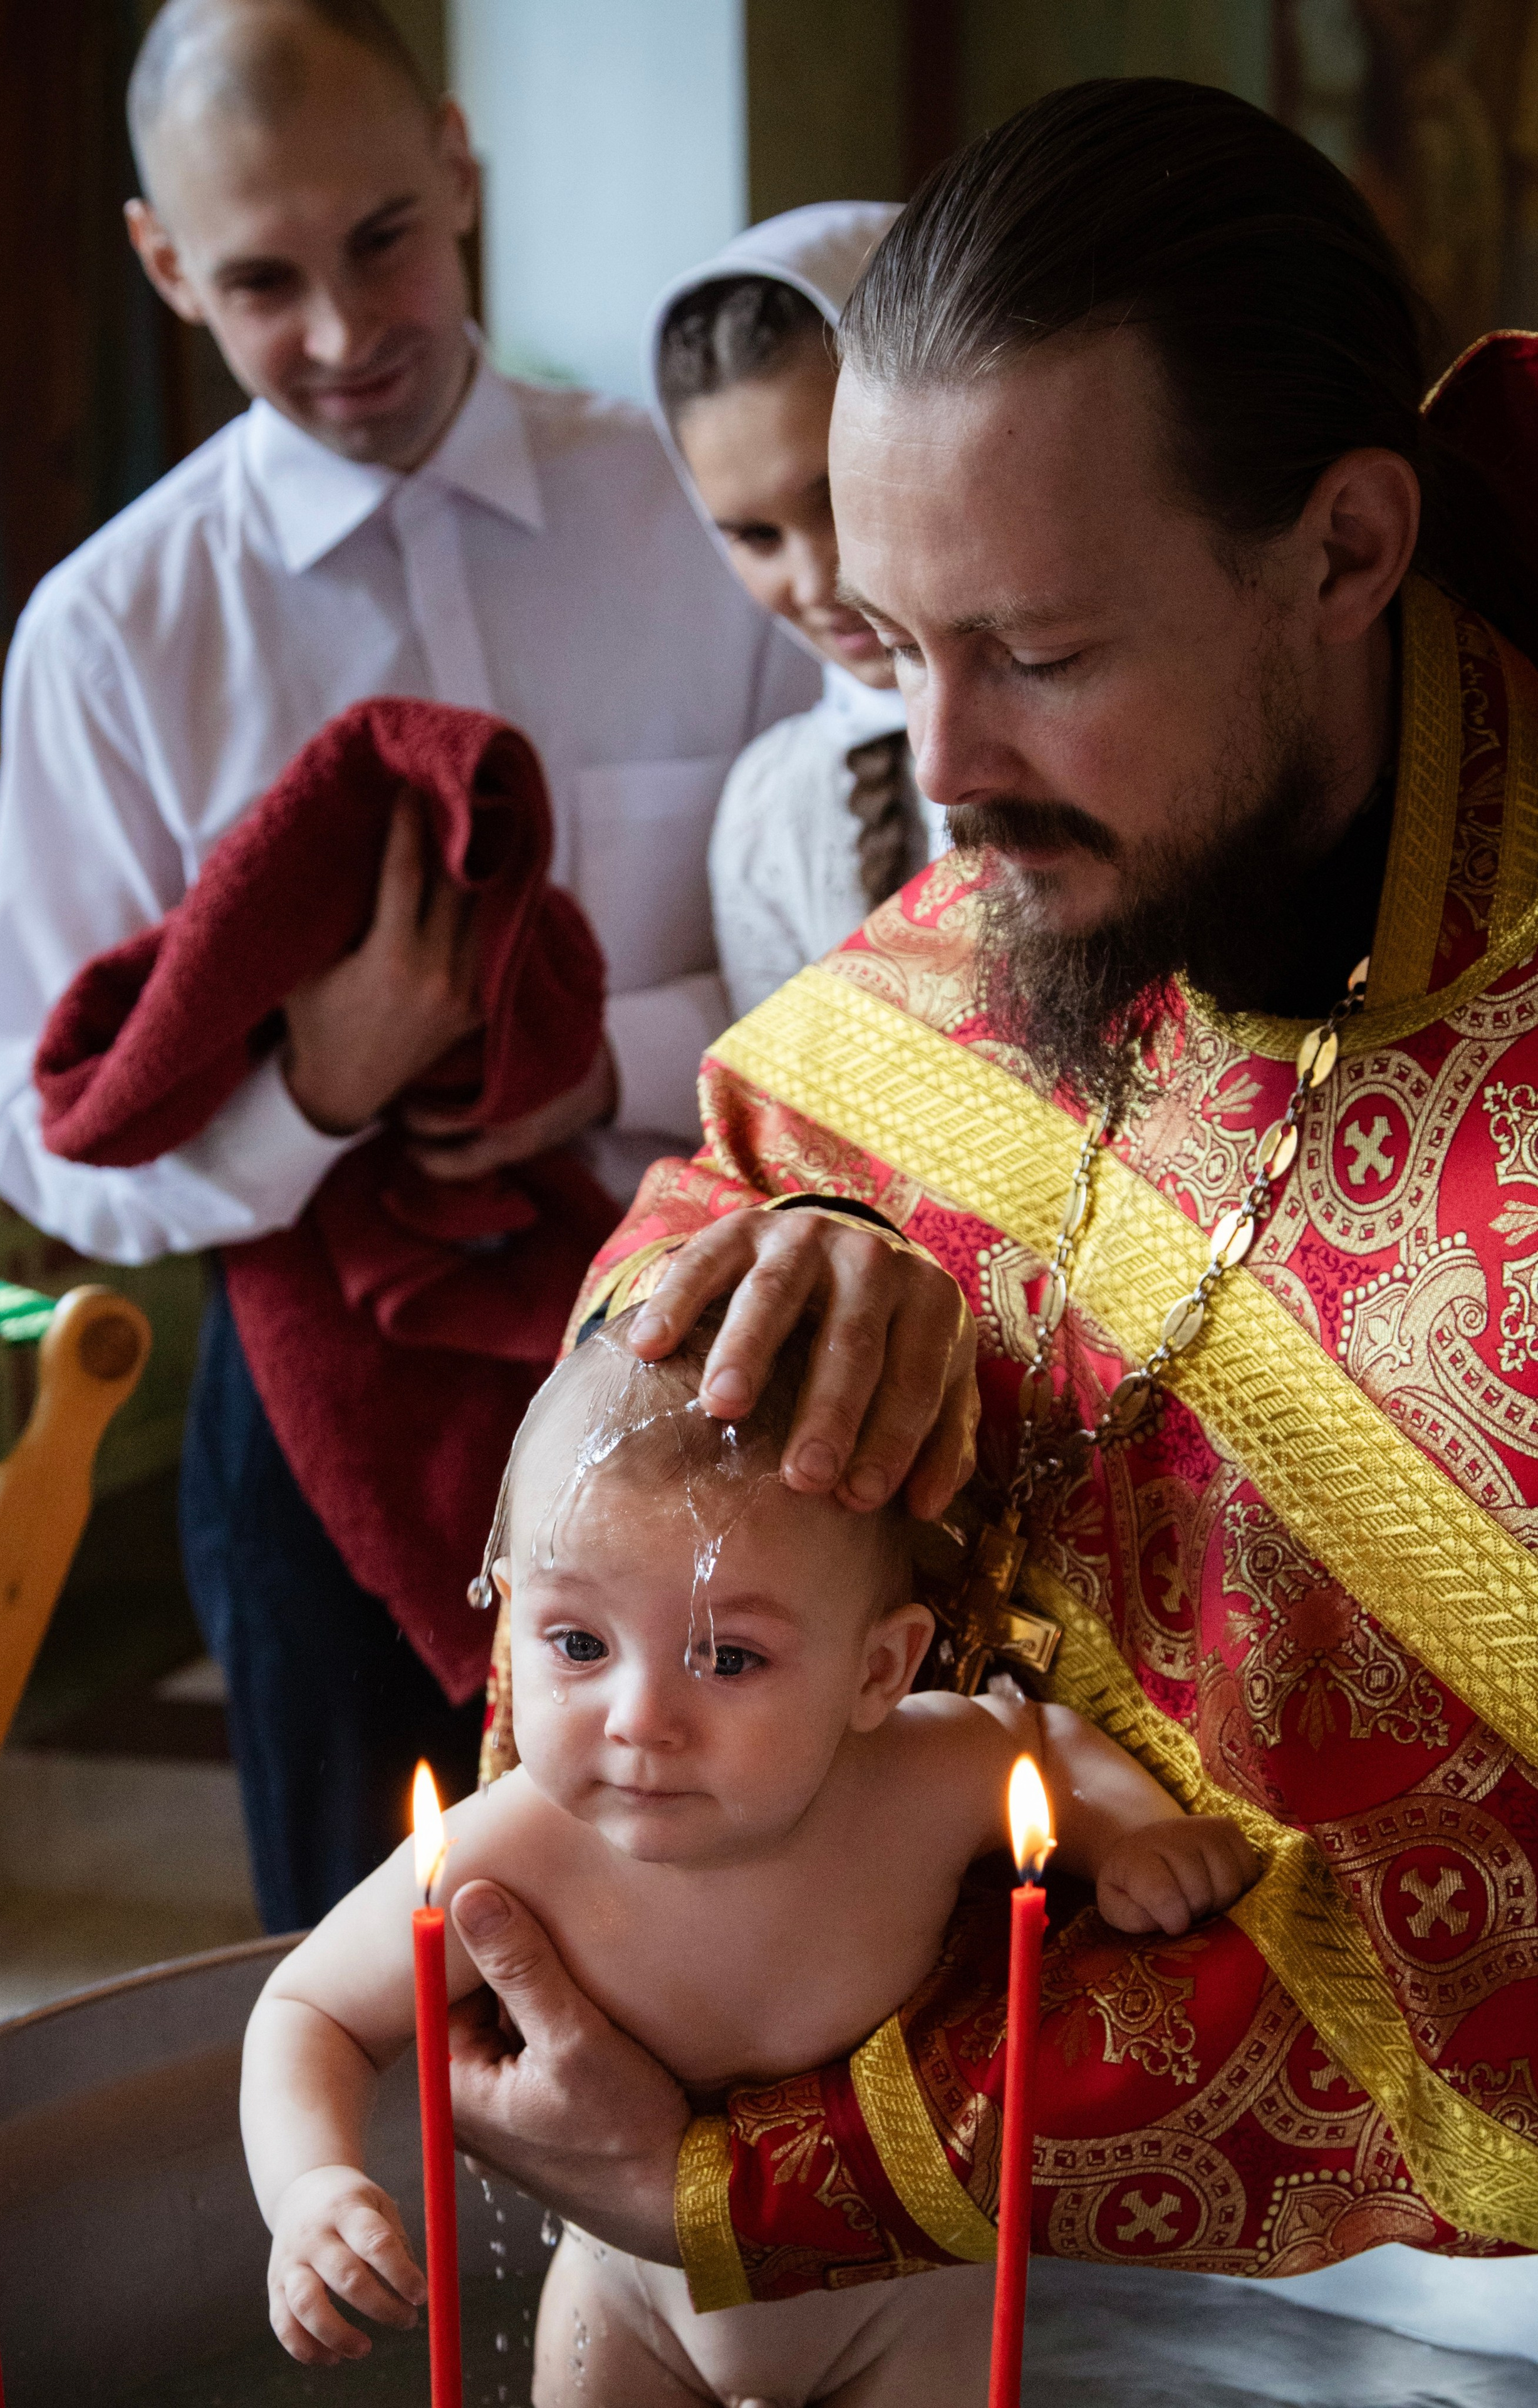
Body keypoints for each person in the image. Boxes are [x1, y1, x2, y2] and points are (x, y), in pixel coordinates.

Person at [434, 80, 1538, 2291]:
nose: (941, 771)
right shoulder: (1048, 862)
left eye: (1037, 656)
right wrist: (800, 1273)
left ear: (1343, 551)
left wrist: (763, 2185)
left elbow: (1467, 1945)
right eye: (893, 638)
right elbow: (743, 1175)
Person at [0, 0, 816, 1932]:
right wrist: (314, 1091)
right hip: (312, 1406)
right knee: (375, 1975)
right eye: (262, 278)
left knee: (740, 1949)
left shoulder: (706, 516)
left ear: (459, 164)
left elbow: (857, 935)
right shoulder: (111, 633)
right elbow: (33, 1122)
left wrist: (603, 1068)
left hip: (710, 1321)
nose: (345, 334)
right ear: (164, 265)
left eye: (382, 241)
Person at [241, 1304, 1257, 2400]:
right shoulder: (515, 1846)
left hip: (907, 2313)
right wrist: (310, 2187)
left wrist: (1135, 1839)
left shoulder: (924, 1780)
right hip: (627, 2312)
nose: (639, 1717)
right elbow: (312, 2014)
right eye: (577, 1642)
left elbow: (1045, 1743)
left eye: (728, 1657)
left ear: (879, 1671)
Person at [648, 205, 946, 1019]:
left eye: (839, 498)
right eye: (754, 535)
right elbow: (782, 1134)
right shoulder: (770, 809)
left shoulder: (1114, 734)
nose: (815, 581)